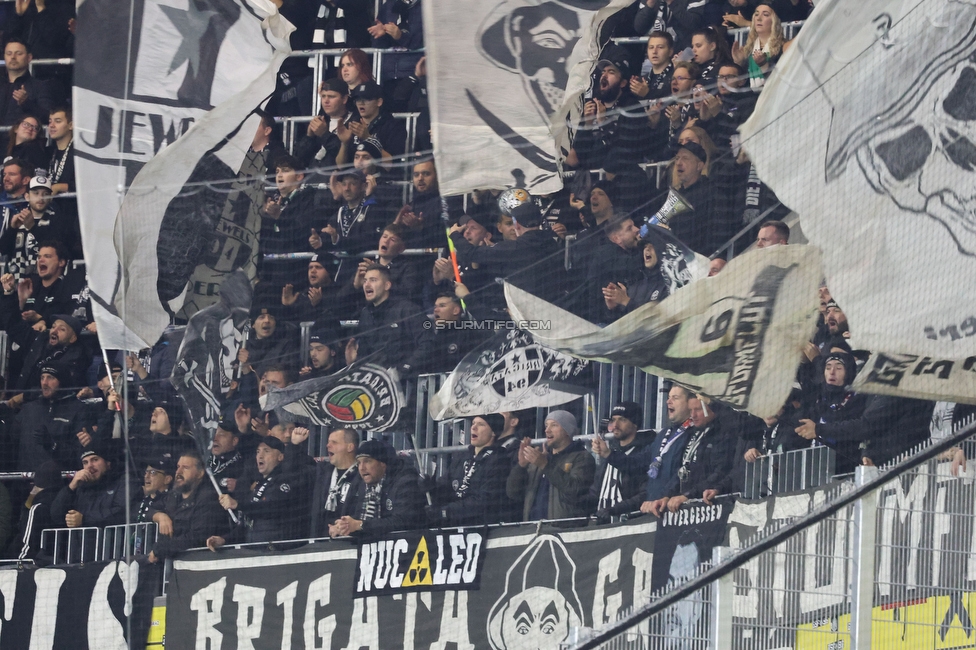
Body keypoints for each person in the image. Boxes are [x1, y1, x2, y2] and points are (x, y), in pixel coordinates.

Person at [448, 199, 568, 306]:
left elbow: (471, 253)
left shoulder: (514, 248)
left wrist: (454, 234)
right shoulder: (551, 241)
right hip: (557, 306)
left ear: (516, 224)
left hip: (531, 312)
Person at [603, 385, 695, 516]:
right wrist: (608, 454)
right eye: (668, 397)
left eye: (675, 398)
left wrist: (663, 497)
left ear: (690, 403)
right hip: (655, 511)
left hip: (676, 512)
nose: (668, 401)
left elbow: (684, 474)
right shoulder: (664, 434)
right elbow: (637, 463)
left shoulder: (694, 434)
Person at [208, 436, 306, 546]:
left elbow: (270, 508)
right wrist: (224, 540)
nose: (260, 455)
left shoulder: (285, 481)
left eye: (266, 451)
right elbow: (248, 523)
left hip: (276, 553)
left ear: (280, 457)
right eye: (258, 451)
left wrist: (238, 504)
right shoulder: (259, 484)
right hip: (255, 551)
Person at [571, 46, 651, 179]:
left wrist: (603, 124)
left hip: (618, 180)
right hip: (588, 179)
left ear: (623, 83)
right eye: (603, 72)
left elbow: (625, 150)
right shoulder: (592, 106)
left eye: (611, 72)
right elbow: (579, 155)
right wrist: (587, 125)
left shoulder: (631, 108)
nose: (604, 75)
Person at [652, 396, 738, 513]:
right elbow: (683, 470)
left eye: (698, 410)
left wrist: (689, 495)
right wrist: (667, 496)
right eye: (690, 410)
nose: (693, 415)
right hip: (687, 507)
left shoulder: (724, 434)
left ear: (712, 409)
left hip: (710, 508)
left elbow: (719, 473)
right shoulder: (691, 433)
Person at [507, 411, 595, 522]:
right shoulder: (540, 458)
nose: (547, 430)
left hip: (563, 532)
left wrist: (545, 465)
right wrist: (521, 466)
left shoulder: (582, 457)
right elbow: (513, 493)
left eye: (554, 425)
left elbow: (575, 489)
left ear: (567, 431)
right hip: (532, 530)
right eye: (546, 425)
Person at [330, 439, 424, 538]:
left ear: (383, 464)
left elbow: (403, 521)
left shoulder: (406, 481)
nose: (362, 468)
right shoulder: (361, 483)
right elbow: (356, 517)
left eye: (367, 461)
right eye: (358, 463)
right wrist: (342, 526)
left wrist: (361, 525)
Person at [428, 414, 512, 526]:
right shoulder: (462, 457)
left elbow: (484, 500)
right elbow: (445, 487)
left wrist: (446, 511)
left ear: (493, 432)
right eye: (473, 423)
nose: (473, 427)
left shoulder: (500, 460)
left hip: (482, 528)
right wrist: (431, 487)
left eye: (481, 424)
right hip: (454, 526)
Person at [148, 451, 229, 562]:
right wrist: (159, 516)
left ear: (200, 473)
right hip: (171, 563)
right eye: (178, 467)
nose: (178, 472)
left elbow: (197, 537)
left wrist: (160, 549)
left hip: (198, 564)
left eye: (185, 468)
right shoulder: (174, 495)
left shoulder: (208, 497)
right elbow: (146, 509)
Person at [257, 155, 317, 289]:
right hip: (270, 274)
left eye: (285, 170)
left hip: (294, 275)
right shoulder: (273, 202)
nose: (279, 175)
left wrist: (280, 217)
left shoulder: (308, 198)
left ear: (299, 176)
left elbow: (301, 234)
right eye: (277, 171)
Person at [15, 362, 86, 471]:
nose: (44, 383)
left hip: (60, 483)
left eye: (50, 377)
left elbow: (80, 456)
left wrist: (53, 445)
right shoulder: (29, 409)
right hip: (23, 482)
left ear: (62, 381)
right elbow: (10, 442)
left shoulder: (78, 409)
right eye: (42, 378)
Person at [293, 427, 363, 538]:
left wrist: (342, 528)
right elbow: (295, 469)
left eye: (334, 442)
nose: (328, 445)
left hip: (349, 545)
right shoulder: (321, 472)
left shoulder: (363, 476)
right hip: (319, 545)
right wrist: (295, 445)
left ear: (350, 447)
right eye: (328, 442)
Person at [590, 401, 654, 518]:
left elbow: (644, 494)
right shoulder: (611, 453)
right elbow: (595, 492)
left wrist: (615, 510)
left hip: (632, 526)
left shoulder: (644, 454)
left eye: (622, 420)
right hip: (603, 525)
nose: (615, 425)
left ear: (635, 424)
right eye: (613, 420)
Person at [665, 142, 728, 256]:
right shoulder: (676, 195)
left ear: (699, 166)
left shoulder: (712, 193)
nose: (678, 163)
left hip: (701, 262)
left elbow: (719, 232)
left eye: (685, 158)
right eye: (677, 158)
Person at [51, 443, 135, 528]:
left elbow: (123, 513)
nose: (89, 466)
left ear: (108, 463)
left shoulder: (124, 481)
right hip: (82, 540)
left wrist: (84, 519)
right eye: (85, 462)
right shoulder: (81, 487)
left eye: (95, 460)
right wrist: (71, 487)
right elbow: (56, 516)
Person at [337, 81, 407, 164]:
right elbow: (340, 166)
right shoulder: (352, 124)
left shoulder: (394, 127)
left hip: (380, 176)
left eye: (367, 99)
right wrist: (344, 143)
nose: (361, 103)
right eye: (358, 99)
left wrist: (369, 139)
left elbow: (391, 164)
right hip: (352, 175)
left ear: (379, 102)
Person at [294, 78, 355, 171]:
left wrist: (324, 134)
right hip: (312, 179)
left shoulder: (354, 121)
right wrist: (309, 137)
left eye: (331, 96)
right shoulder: (321, 121)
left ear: (344, 99)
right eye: (323, 96)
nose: (326, 101)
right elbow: (300, 160)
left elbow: (349, 157)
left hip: (337, 180)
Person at [8, 460, 62, 561]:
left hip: (33, 564)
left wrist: (18, 562)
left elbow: (29, 545)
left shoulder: (37, 508)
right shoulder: (63, 501)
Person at [604, 239, 670, 316]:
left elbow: (660, 318)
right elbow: (623, 319)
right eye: (645, 247)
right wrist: (614, 308)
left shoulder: (669, 283)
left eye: (652, 246)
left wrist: (626, 301)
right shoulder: (636, 283)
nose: (647, 249)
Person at [281, 253, 349, 325]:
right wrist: (287, 306)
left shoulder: (340, 292)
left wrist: (318, 305)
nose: (313, 271)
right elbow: (292, 325)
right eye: (310, 267)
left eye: (318, 267)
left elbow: (336, 321)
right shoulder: (304, 294)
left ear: (329, 271)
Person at [731, 4, 785, 92]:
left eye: (766, 15)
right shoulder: (748, 50)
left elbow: (781, 79)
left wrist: (764, 64)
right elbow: (743, 84)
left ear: (775, 21)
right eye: (756, 14)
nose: (759, 18)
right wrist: (739, 63)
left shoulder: (782, 48)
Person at [0, 39, 53, 126]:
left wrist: (27, 103)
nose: (13, 57)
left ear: (29, 58)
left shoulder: (39, 86)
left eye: (19, 53)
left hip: (24, 139)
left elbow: (48, 118)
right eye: (9, 53)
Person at [633, 0, 705, 52]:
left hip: (681, 53)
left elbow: (693, 23)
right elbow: (639, 28)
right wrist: (650, 5)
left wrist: (671, 3)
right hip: (652, 56)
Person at [633, 31, 675, 101]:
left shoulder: (675, 76)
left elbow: (672, 100)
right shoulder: (643, 80)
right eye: (651, 47)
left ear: (670, 51)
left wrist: (648, 93)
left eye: (660, 47)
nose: (654, 51)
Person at [209, 419, 247, 494]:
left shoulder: (240, 467)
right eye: (213, 433)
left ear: (234, 441)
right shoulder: (204, 460)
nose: (215, 439)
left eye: (221, 434)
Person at [133, 456, 174, 523]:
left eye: (152, 472)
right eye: (146, 472)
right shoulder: (142, 501)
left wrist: (158, 515)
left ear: (167, 479)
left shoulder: (172, 500)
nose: (146, 476)